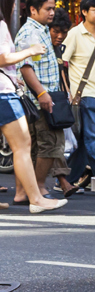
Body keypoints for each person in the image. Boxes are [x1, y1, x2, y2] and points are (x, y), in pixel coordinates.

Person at [15, 0, 76, 198]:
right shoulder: (30, 32)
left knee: (37, 147)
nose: (52, 13)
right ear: (33, 10)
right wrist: (42, 93)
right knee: (50, 145)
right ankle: (38, 188)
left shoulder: (40, 29)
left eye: (53, 8)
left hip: (45, 97)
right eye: (48, 9)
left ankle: (26, 192)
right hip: (39, 99)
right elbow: (25, 66)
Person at [0, 16, 62, 213]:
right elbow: (3, 58)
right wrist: (30, 51)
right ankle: (36, 198)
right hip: (3, 94)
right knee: (22, 146)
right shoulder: (1, 25)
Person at [62, 0, 95, 189]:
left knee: (83, 141)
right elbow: (62, 63)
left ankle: (67, 179)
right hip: (86, 94)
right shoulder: (74, 33)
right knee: (93, 138)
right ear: (84, 12)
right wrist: (68, 91)